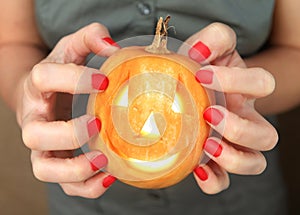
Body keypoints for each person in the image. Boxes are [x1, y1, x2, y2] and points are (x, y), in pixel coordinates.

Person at [0, 0, 299, 214]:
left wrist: (233, 95)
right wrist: (30, 93)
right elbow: (12, 42)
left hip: (240, 199)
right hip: (83, 200)